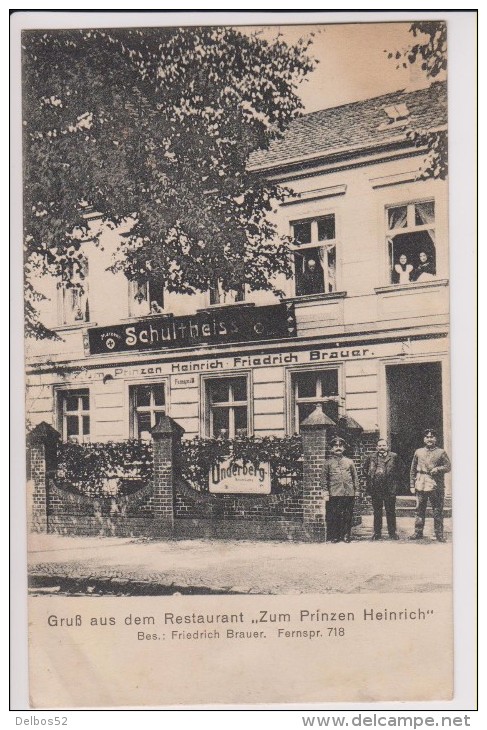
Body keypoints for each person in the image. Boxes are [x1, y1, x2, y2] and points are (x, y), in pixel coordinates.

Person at [409, 428, 451, 542]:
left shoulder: (441, 452)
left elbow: (448, 467)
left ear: (435, 439)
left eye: (432, 437)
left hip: (435, 485)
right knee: (419, 510)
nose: (429, 439)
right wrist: (412, 485)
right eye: (427, 437)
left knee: (437, 510)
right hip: (420, 483)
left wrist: (438, 469)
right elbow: (413, 470)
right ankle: (418, 532)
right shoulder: (418, 452)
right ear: (424, 439)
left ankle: (439, 534)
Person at [364, 438, 405, 540]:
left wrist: (394, 480)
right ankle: (377, 533)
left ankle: (392, 533)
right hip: (376, 489)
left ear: (387, 447)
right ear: (377, 447)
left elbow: (402, 469)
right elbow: (365, 469)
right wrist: (372, 478)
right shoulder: (371, 457)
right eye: (380, 446)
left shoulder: (394, 456)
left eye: (383, 445)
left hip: (389, 489)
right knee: (377, 512)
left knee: (390, 511)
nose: (381, 448)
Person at [322, 436, 359, 543]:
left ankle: (346, 535)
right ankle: (335, 536)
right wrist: (325, 492)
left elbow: (355, 477)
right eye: (335, 446)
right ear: (332, 449)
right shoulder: (327, 463)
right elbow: (324, 479)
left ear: (344, 448)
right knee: (335, 515)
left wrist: (356, 491)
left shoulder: (349, 462)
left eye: (340, 446)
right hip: (334, 493)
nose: (338, 448)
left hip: (348, 492)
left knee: (347, 515)